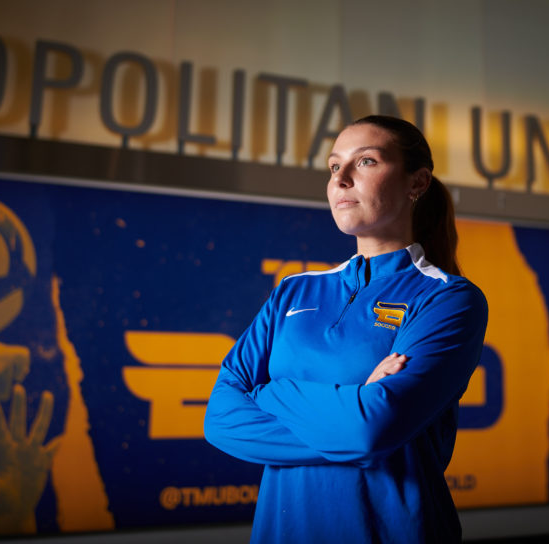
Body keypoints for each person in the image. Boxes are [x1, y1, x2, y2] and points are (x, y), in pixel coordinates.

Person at [204, 115, 488, 543]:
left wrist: (270, 392)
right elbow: (221, 419)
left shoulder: (448, 299)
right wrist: (357, 405)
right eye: (335, 166)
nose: (342, 179)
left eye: (367, 162)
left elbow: (370, 430)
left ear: (418, 183)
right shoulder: (292, 293)